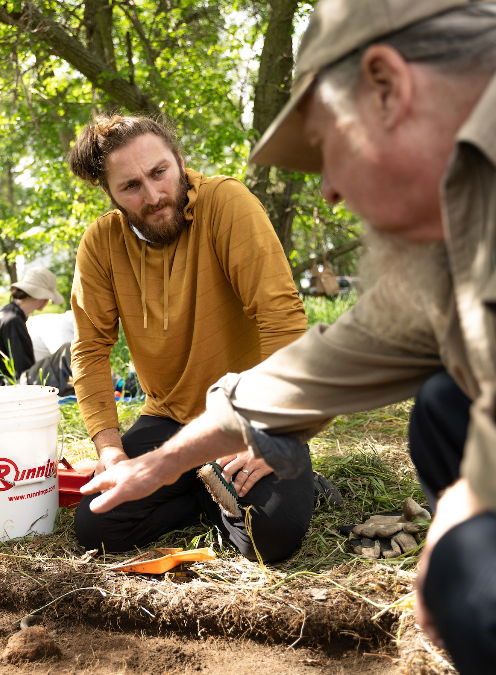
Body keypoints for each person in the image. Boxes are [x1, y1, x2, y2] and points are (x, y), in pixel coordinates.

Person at [82, 2, 496, 673]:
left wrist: (481, 500)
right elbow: (345, 351)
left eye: (328, 149)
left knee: (475, 562)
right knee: (442, 413)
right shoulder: (474, 194)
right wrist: (158, 463)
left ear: (387, 87)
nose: (331, 194)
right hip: (180, 417)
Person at [68, 114, 315, 562]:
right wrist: (110, 451)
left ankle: (284, 486)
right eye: (130, 186)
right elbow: (89, 349)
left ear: (180, 162)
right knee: (96, 525)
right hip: (169, 417)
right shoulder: (101, 244)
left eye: (159, 173)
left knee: (271, 537)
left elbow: (281, 317)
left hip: (246, 412)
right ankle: (206, 490)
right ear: (110, 194)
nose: (153, 194)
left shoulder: (227, 203)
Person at [0, 266, 64, 386]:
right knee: (66, 352)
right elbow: (23, 372)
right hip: (5, 388)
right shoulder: (13, 321)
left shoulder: (4, 312)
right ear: (42, 297)